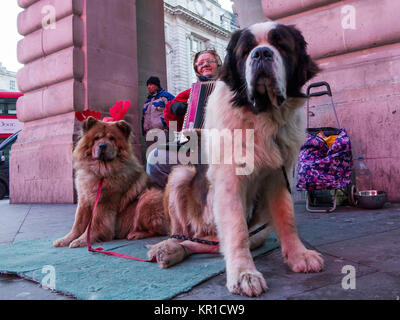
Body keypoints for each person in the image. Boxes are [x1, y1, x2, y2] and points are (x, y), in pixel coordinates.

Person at [146, 49, 222, 188]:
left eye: (209, 61)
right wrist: (176, 109)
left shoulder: (232, 89)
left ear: (218, 64)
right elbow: (170, 118)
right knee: (155, 159)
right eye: (200, 63)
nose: (205, 64)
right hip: (196, 147)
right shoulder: (190, 94)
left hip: (225, 147)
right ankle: (171, 204)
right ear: (197, 70)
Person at [142, 76, 174, 141]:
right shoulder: (147, 102)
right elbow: (143, 118)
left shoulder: (166, 96)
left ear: (157, 85)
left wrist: (168, 128)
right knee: (151, 151)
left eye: (151, 84)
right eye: (148, 85)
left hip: (162, 132)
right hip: (149, 134)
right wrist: (144, 132)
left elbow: (174, 112)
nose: (148, 86)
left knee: (163, 151)